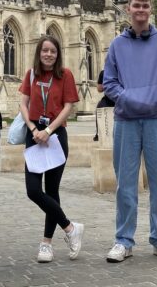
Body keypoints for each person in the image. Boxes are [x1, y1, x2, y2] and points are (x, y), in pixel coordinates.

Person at [103, 0, 157, 264]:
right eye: (135, 5)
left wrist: (149, 99)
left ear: (151, 9)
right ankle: (123, 240)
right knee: (125, 184)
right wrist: (131, 99)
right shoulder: (117, 45)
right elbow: (110, 83)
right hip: (126, 121)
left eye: (145, 5)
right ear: (128, 9)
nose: (140, 9)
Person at [18, 35, 84, 263]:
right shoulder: (31, 74)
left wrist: (49, 130)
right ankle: (70, 228)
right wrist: (33, 127)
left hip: (56, 135)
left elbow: (68, 107)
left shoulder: (65, 74)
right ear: (39, 52)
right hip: (34, 134)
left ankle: (46, 243)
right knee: (33, 190)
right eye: (45, 50)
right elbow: (23, 104)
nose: (48, 54)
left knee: (52, 190)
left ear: (58, 54)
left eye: (52, 51)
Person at [94, 69, 114, 141]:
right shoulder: (103, 73)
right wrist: (107, 84)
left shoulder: (121, 71)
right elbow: (99, 89)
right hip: (108, 99)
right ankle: (98, 133)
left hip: (120, 98)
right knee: (99, 107)